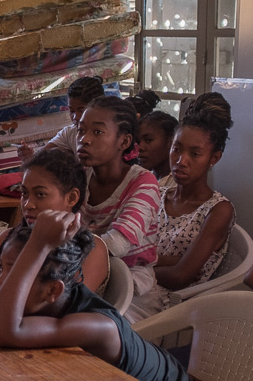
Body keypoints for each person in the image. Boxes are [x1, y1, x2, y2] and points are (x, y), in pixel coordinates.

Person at [0, 211, 206, 381]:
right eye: (3, 268)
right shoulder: (33, 299)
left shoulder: (98, 326)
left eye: (15, 274)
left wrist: (38, 245)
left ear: (53, 290)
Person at [129, 94, 235, 320]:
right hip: (134, 288)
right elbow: (127, 247)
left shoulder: (218, 210)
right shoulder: (156, 193)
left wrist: (138, 265)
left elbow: (180, 276)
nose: (181, 161)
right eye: (177, 149)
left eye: (195, 154)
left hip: (168, 307)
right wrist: (164, 260)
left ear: (214, 158)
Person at [0, 148, 109, 292]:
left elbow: (61, 309)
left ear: (71, 198)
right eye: (24, 193)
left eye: (40, 194)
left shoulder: (91, 250)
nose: (28, 204)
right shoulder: (9, 237)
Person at [77, 96, 160, 296]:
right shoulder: (78, 176)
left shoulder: (143, 183)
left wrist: (62, 248)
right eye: (81, 130)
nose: (84, 139)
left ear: (124, 141)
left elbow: (117, 244)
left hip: (128, 289)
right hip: (79, 273)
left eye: (97, 132)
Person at [20, 76, 106, 162]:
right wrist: (30, 156)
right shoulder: (70, 133)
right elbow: (41, 155)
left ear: (97, 108)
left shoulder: (108, 137)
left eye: (81, 110)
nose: (75, 117)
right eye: (72, 111)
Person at [137, 110, 179, 188]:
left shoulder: (177, 186)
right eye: (138, 141)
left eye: (148, 140)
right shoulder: (142, 179)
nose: (140, 147)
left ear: (171, 142)